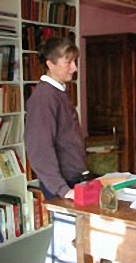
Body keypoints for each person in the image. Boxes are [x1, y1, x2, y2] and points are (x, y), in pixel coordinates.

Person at [24, 37, 88, 200]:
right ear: (50, 64)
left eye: (75, 61)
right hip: (61, 186)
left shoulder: (57, 93)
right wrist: (63, 189)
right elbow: (39, 148)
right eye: (68, 63)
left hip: (72, 180)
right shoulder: (44, 98)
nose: (74, 68)